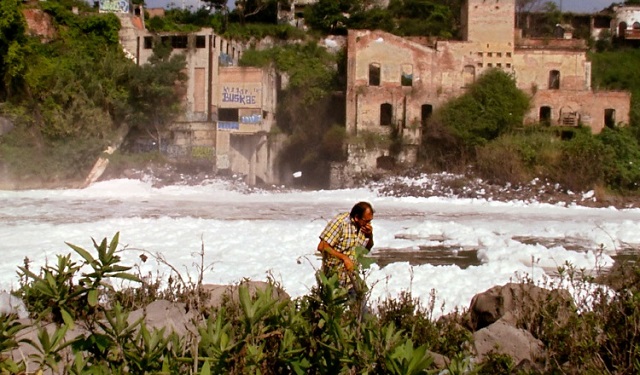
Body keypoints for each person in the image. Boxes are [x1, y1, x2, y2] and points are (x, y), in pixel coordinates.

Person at [317, 201, 374, 291]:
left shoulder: (364, 227)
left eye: (370, 221)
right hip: (335, 280)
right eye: (366, 221)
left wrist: (370, 235)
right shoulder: (341, 223)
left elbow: (367, 249)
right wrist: (344, 258)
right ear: (356, 218)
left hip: (352, 279)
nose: (368, 224)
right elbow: (322, 246)